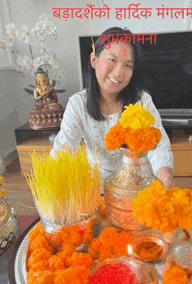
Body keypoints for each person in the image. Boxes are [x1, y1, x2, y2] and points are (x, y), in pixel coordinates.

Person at [50, 27, 175, 189]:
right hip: (99, 190)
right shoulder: (78, 104)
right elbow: (63, 151)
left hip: (139, 187)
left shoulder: (142, 101)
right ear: (94, 60)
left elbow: (158, 147)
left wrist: (166, 179)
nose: (118, 73)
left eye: (128, 65)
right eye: (112, 60)